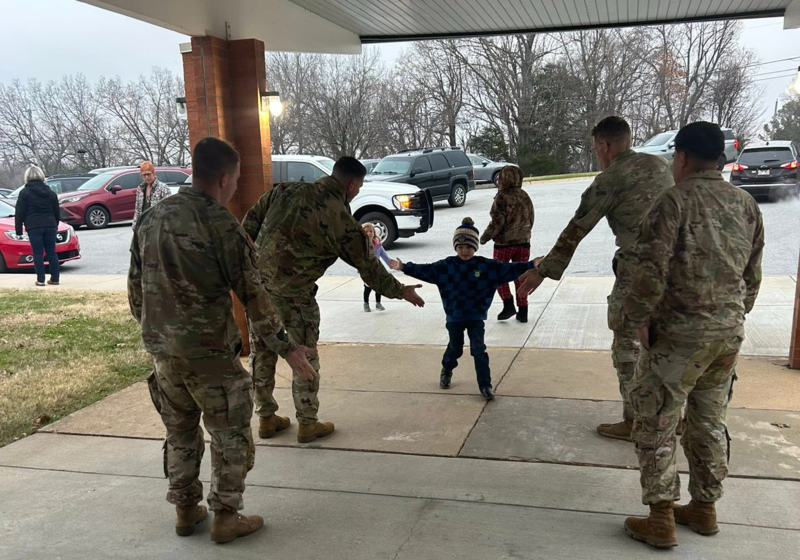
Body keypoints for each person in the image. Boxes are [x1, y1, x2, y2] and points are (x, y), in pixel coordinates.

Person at [128, 137, 317, 544]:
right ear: (224, 177)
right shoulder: (221, 223)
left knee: (179, 432)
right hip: (210, 354)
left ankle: (185, 510)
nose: (235, 188)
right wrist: (288, 348)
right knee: (231, 434)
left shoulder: (152, 218)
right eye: (235, 180)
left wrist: (160, 334)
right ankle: (226, 515)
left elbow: (135, 291)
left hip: (164, 354)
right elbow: (255, 296)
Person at [621, 122, 764, 550]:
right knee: (708, 420)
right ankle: (704, 507)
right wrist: (730, 318)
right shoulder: (745, 204)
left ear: (681, 157)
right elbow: (752, 277)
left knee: (657, 421)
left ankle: (661, 515)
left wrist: (638, 320)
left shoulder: (673, 201)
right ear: (718, 157)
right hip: (726, 335)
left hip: (678, 337)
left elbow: (650, 271)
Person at [242, 156, 425, 444]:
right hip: (296, 297)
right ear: (351, 185)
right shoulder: (342, 219)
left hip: (259, 292)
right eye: (360, 186)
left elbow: (247, 227)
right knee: (304, 354)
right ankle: (307, 422)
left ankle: (265, 417)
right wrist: (401, 290)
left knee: (262, 350)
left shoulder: (284, 190)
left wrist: (252, 269)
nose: (358, 191)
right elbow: (369, 268)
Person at [518, 116, 674, 441]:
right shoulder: (660, 165)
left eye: (596, 149)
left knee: (628, 344)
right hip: (678, 268)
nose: (597, 156)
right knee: (669, 343)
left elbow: (578, 227)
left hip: (639, 270)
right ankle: (675, 417)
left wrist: (542, 271)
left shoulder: (611, 177)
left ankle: (635, 421)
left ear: (604, 145)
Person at [392, 218, 535, 400]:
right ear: (455, 248)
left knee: (479, 350)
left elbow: (509, 269)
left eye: (468, 247)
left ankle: (485, 386)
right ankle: (447, 368)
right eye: (460, 247)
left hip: (476, 317)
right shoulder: (446, 267)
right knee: (456, 348)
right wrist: (404, 267)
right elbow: (425, 270)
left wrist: (531, 265)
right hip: (454, 317)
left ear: (475, 247)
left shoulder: (486, 267)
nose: (464, 251)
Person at [479, 165, 534, 323]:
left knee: (498, 274)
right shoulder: (525, 196)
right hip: (524, 242)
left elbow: (498, 222)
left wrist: (484, 237)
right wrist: (525, 233)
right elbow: (531, 217)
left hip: (504, 244)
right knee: (520, 275)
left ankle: (508, 304)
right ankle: (523, 310)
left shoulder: (501, 197)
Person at [14, 165, 60, 286]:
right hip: (50, 224)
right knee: (52, 252)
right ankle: (55, 278)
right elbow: (56, 212)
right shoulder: (51, 193)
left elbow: (20, 212)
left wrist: (18, 230)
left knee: (38, 253)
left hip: (34, 226)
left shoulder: (25, 193)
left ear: (27, 177)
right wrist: (55, 225)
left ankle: (40, 280)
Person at [361, 222, 395, 312]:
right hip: (367, 271)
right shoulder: (361, 246)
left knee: (379, 287)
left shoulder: (377, 244)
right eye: (366, 232)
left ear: (374, 232)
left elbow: (384, 255)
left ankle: (378, 303)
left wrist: (390, 264)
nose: (369, 233)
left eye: (371, 231)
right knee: (368, 287)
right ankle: (366, 303)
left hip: (377, 269)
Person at [132, 161, 171, 229]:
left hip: (157, 227)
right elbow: (137, 209)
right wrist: (135, 226)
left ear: (153, 173)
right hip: (143, 226)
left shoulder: (163, 188)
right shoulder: (140, 189)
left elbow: (168, 209)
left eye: (148, 174)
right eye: (144, 175)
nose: (147, 177)